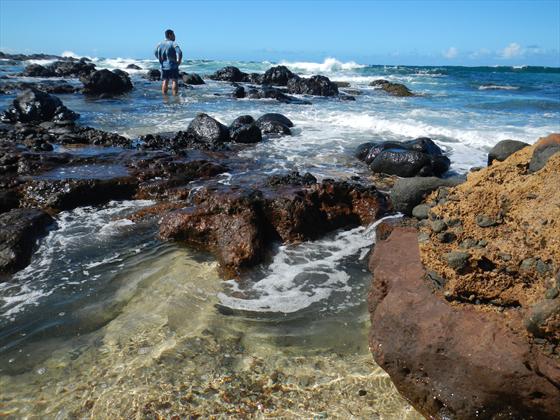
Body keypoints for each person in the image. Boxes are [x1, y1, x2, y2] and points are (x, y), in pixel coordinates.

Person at [154, 29, 182, 95]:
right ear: (170, 35)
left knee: (165, 81)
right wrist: (179, 61)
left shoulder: (159, 44)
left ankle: (165, 97)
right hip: (173, 65)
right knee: (174, 81)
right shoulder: (173, 43)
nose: (175, 37)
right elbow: (180, 52)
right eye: (174, 35)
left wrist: (160, 59)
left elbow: (155, 52)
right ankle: (175, 96)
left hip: (163, 66)